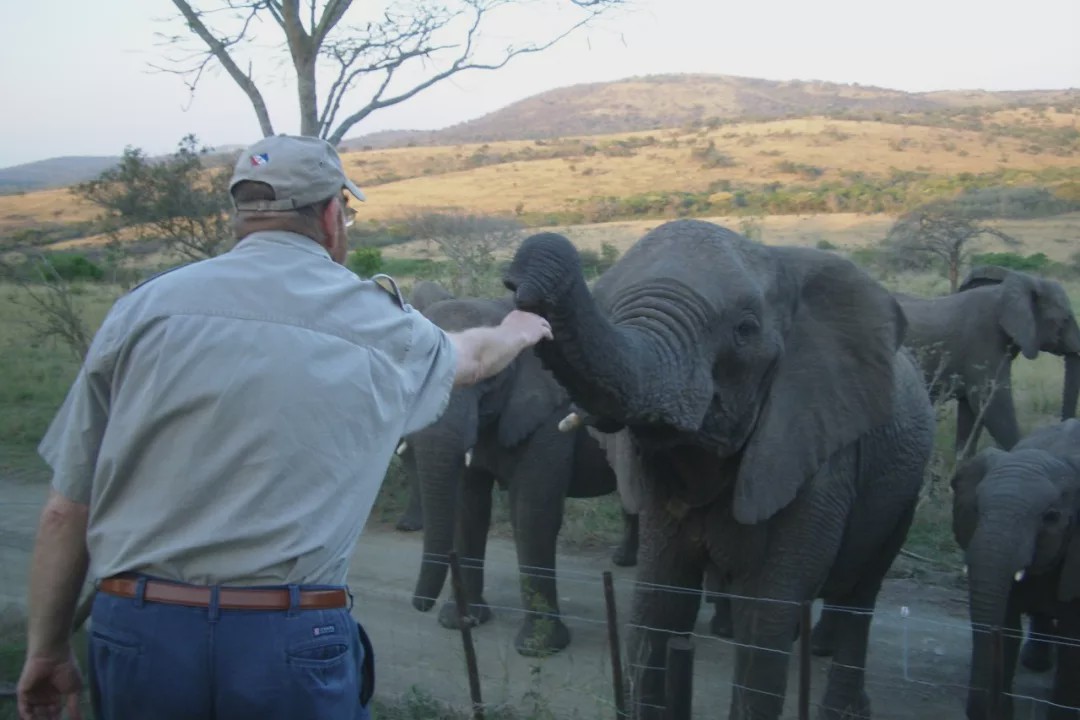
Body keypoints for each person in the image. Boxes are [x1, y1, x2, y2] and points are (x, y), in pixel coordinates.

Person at [15, 134, 553, 720]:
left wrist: (46, 648)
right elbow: (470, 358)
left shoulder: (140, 310)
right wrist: (517, 330)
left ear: (240, 216)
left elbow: (65, 510)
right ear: (331, 216)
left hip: (140, 629)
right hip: (286, 633)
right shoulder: (380, 321)